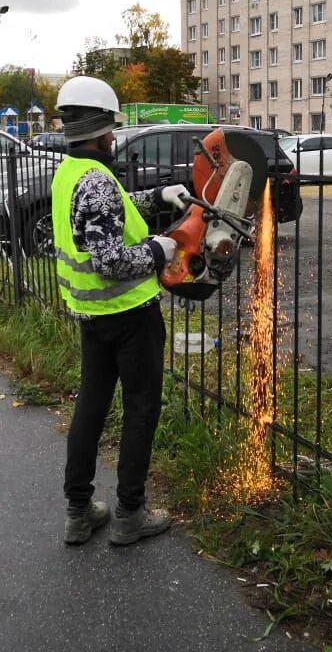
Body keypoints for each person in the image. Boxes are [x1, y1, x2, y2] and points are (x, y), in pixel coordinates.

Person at [51, 75, 189, 546]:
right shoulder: (97, 179)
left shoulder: (69, 172)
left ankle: (78, 510)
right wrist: (160, 248)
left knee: (90, 407)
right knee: (140, 410)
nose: (114, 136)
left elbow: (103, 219)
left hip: (91, 318)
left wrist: (158, 196)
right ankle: (130, 513)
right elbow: (112, 260)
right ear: (96, 127)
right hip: (129, 315)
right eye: (111, 127)